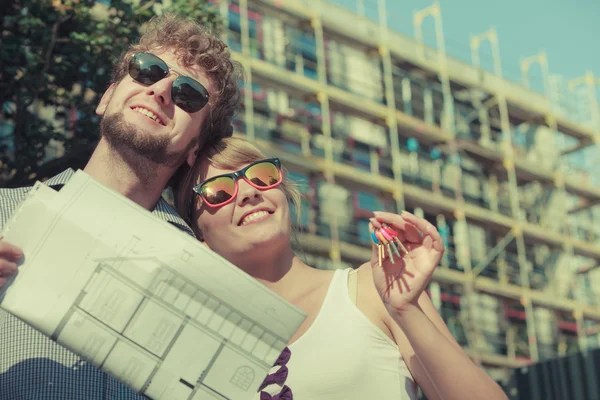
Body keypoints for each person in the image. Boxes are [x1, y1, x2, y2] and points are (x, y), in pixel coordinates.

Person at [0, 14, 242, 399]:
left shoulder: (206, 274)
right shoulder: (1, 213)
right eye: (148, 70)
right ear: (107, 96)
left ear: (195, 146)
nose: (161, 90)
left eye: (188, 95)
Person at [175, 136, 509, 400]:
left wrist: (406, 309)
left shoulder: (373, 289)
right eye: (219, 191)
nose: (248, 192)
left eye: (261, 176)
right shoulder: (199, 348)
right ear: (199, 232)